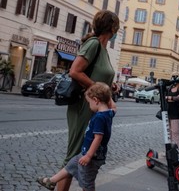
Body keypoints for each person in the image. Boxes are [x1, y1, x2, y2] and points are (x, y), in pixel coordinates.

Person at [56, 10, 120, 191]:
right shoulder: (93, 44)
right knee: (74, 154)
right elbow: (75, 71)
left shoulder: (104, 50)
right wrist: (98, 90)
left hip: (95, 107)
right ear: (112, 28)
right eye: (116, 27)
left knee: (83, 154)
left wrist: (110, 86)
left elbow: (100, 75)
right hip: (85, 105)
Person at [37, 82, 117, 191]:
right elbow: (114, 107)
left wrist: (88, 156)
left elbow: (98, 138)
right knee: (71, 166)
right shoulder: (109, 113)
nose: (89, 106)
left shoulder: (99, 117)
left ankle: (52, 181)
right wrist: (108, 94)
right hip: (87, 153)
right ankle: (51, 181)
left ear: (96, 100)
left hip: (91, 157)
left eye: (89, 103)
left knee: (87, 184)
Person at [166, 72, 179, 149]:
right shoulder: (170, 87)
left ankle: (177, 150)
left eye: (176, 76)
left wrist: (169, 98)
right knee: (169, 133)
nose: (174, 78)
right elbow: (165, 98)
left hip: (176, 113)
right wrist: (170, 99)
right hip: (168, 112)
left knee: (175, 132)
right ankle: (169, 150)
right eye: (173, 76)